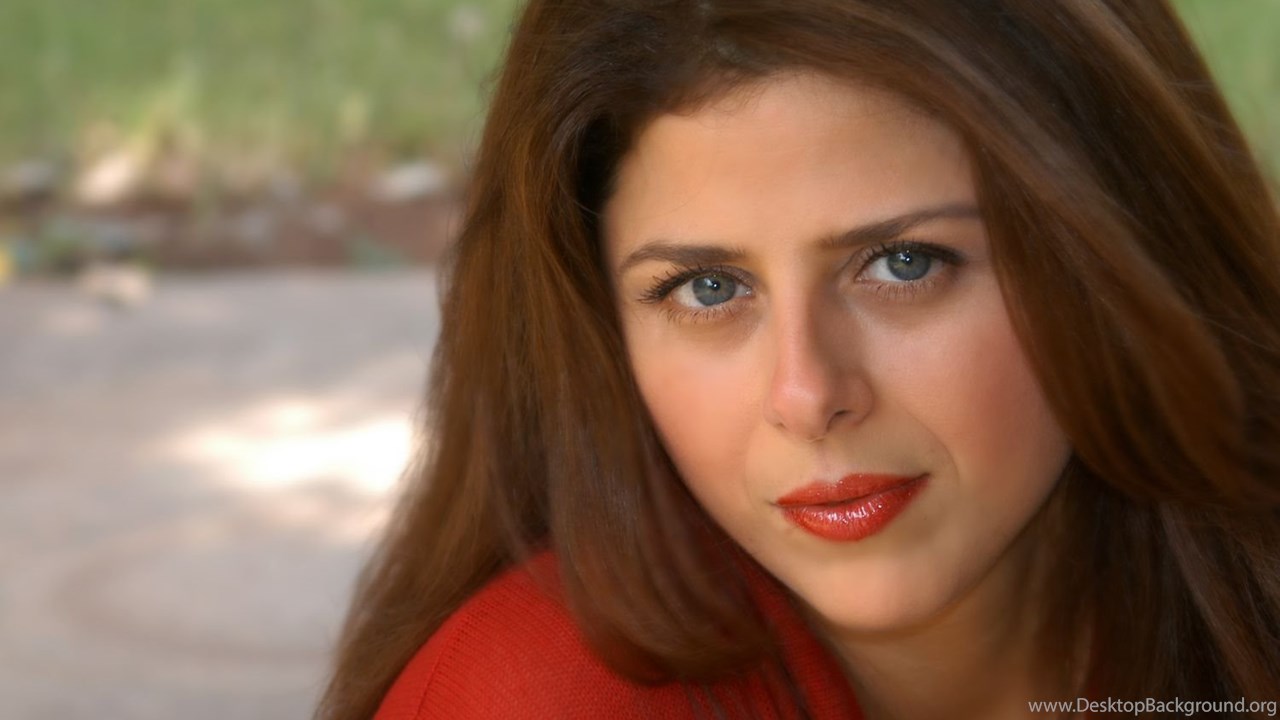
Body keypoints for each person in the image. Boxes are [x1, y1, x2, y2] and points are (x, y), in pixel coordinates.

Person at [318, 1, 1280, 718]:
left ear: (1114, 254)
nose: (808, 395)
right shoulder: (544, 697)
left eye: (903, 264)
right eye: (707, 289)